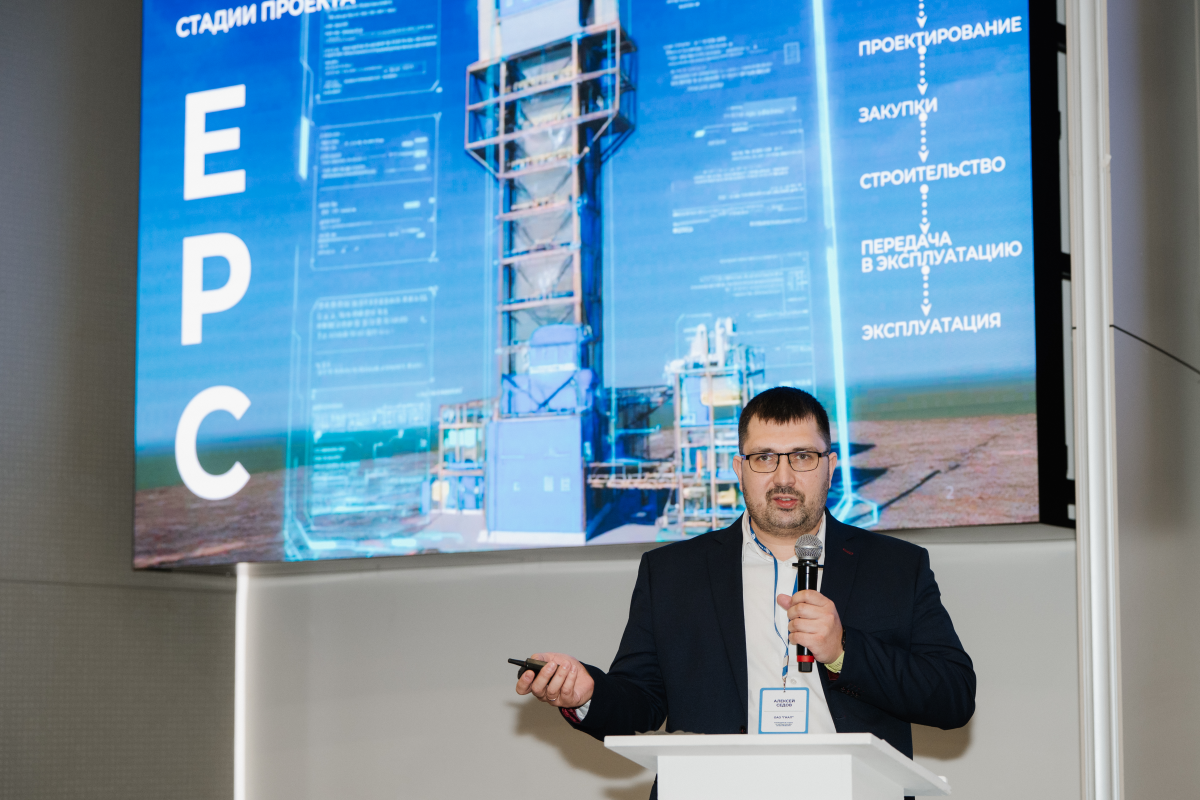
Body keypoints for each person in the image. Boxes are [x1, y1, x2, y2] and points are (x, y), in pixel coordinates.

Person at [515, 387, 975, 795]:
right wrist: (588, 693)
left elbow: (953, 696)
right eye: (764, 458)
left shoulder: (896, 566)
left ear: (830, 466)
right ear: (740, 468)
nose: (783, 477)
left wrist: (843, 652)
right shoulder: (672, 572)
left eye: (802, 456)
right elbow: (642, 701)